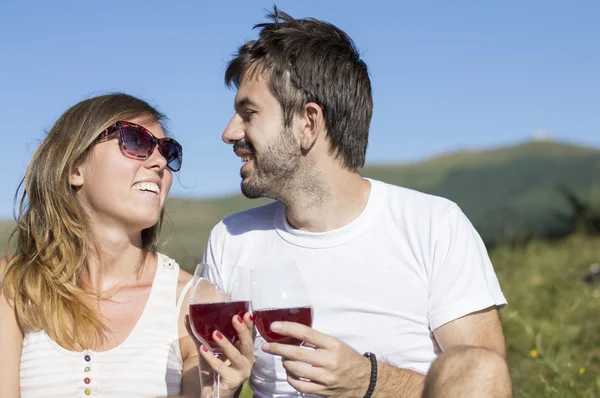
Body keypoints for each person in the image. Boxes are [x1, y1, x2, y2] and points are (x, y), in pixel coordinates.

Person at [202, 7, 512, 398]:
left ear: (308, 123)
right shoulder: (231, 239)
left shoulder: (434, 225)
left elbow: (482, 381)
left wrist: (368, 380)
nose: (229, 133)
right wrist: (216, 389)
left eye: (248, 114)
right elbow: (207, 384)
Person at [0, 93, 254, 398]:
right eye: (135, 141)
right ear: (74, 168)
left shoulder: (194, 305)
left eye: (168, 151)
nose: (160, 162)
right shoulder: (13, 286)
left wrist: (220, 393)